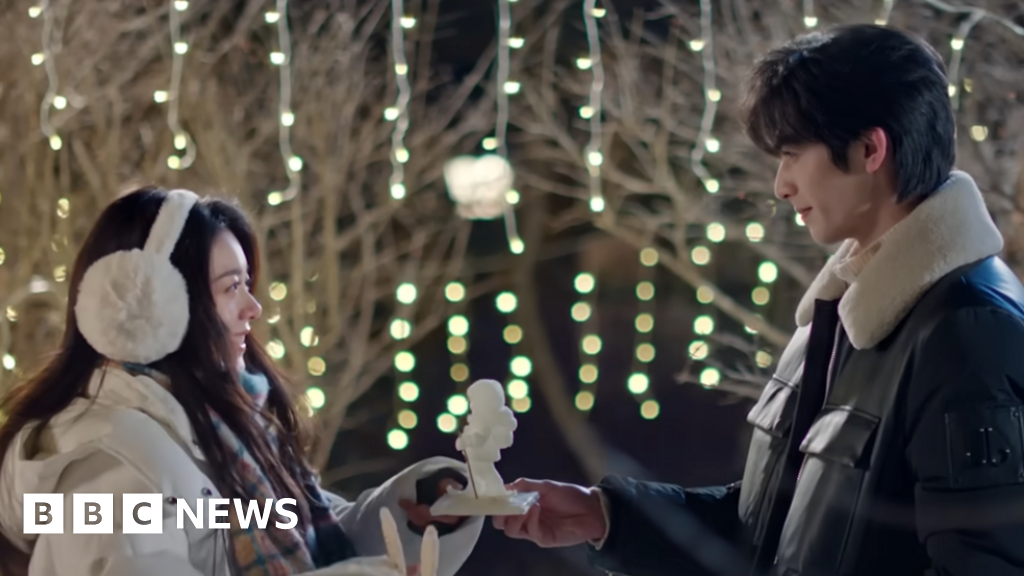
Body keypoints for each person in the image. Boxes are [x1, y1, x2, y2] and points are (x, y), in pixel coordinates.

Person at [495, 23, 1024, 576]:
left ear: (870, 148)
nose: (780, 185)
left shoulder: (968, 329)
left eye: (792, 153)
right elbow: (766, 533)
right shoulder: (839, 312)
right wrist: (607, 517)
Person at [0, 187, 482, 576]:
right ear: (155, 308)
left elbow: (312, 539)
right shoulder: (114, 462)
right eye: (231, 287)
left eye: (247, 284)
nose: (253, 307)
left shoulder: (221, 434)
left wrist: (421, 507)